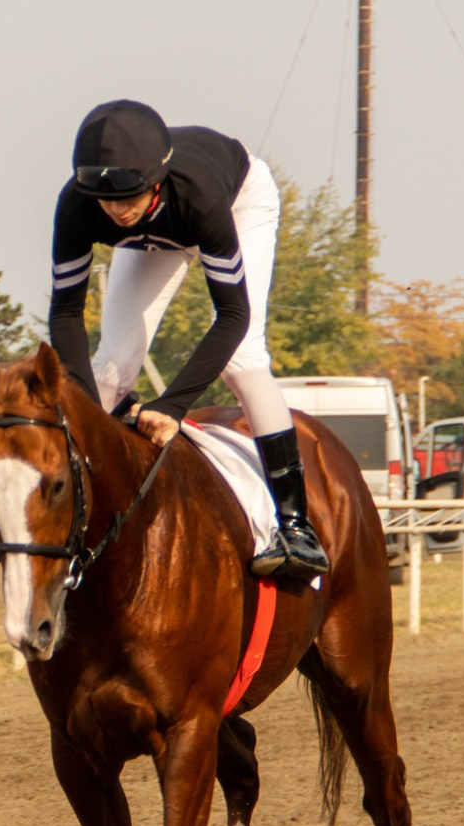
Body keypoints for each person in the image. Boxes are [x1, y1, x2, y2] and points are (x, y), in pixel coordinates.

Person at [47, 99, 328, 581]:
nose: (116, 211)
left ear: (155, 181)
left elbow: (232, 314)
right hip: (161, 228)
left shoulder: (196, 196)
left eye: (128, 197)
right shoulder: (78, 204)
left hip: (237, 201)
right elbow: (67, 312)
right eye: (105, 200)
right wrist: (93, 413)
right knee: (111, 369)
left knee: (242, 358)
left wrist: (173, 405)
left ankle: (297, 525)